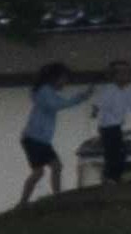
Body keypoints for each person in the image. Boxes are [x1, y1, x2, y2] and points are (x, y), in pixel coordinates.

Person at [17, 65, 82, 208]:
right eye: (64, 79)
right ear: (54, 78)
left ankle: (56, 197)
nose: (65, 83)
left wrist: (78, 98)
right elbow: (57, 105)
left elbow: (58, 103)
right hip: (34, 138)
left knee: (54, 167)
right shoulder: (45, 91)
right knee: (40, 171)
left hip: (40, 139)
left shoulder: (45, 91)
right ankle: (24, 202)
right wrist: (79, 98)